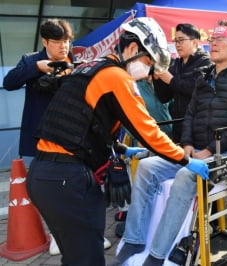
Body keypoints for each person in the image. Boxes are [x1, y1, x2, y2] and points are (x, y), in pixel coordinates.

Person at [26, 17, 209, 266]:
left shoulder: (92, 67)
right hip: (67, 179)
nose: (149, 70)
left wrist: (122, 148)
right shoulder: (117, 77)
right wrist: (185, 160)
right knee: (88, 259)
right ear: (133, 49)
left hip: (44, 175)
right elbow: (149, 131)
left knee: (76, 256)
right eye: (148, 61)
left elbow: (86, 123)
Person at [110, 20, 227, 266]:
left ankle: (157, 255)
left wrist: (210, 150)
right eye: (212, 39)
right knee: (147, 168)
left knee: (183, 176)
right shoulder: (203, 77)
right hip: (195, 151)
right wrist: (188, 144)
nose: (213, 43)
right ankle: (134, 239)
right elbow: (189, 114)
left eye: (220, 39)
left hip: (226, 152)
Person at [3, 18, 75, 158]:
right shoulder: (31, 60)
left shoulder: (76, 62)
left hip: (71, 135)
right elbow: (9, 83)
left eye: (66, 41)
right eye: (57, 42)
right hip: (42, 137)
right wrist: (36, 67)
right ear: (44, 42)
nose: (63, 46)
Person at [153, 23, 212, 142]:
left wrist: (170, 79)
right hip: (178, 126)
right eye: (176, 41)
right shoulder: (176, 64)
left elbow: (194, 88)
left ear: (195, 42)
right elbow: (164, 97)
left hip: (199, 126)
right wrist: (157, 78)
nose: (177, 45)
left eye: (181, 40)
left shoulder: (206, 62)